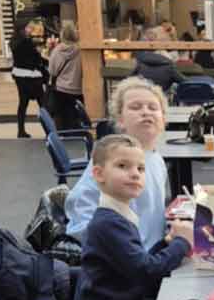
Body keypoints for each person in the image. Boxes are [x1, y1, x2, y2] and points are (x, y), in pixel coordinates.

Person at [73, 135, 193, 300]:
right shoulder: (108, 223)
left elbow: (137, 260)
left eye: (140, 168)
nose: (135, 174)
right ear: (98, 174)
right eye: (122, 166)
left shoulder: (117, 216)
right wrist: (182, 243)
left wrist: (166, 242)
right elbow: (146, 271)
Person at [65, 77, 169, 247]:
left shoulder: (157, 160)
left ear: (163, 120)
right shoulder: (110, 159)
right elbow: (81, 210)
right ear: (120, 119)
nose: (146, 112)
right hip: (126, 255)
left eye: (153, 107)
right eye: (135, 107)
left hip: (154, 253)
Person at [10, 17, 49, 138]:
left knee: (23, 104)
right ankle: (49, 130)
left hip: (20, 76)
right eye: (28, 27)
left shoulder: (13, 41)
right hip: (32, 77)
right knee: (43, 105)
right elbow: (36, 59)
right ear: (22, 28)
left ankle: (21, 130)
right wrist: (46, 63)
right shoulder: (27, 42)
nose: (30, 29)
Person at [47, 18, 85, 130]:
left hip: (61, 90)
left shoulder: (57, 50)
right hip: (77, 90)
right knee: (76, 120)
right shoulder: (81, 51)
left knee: (62, 122)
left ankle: (64, 137)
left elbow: (52, 71)